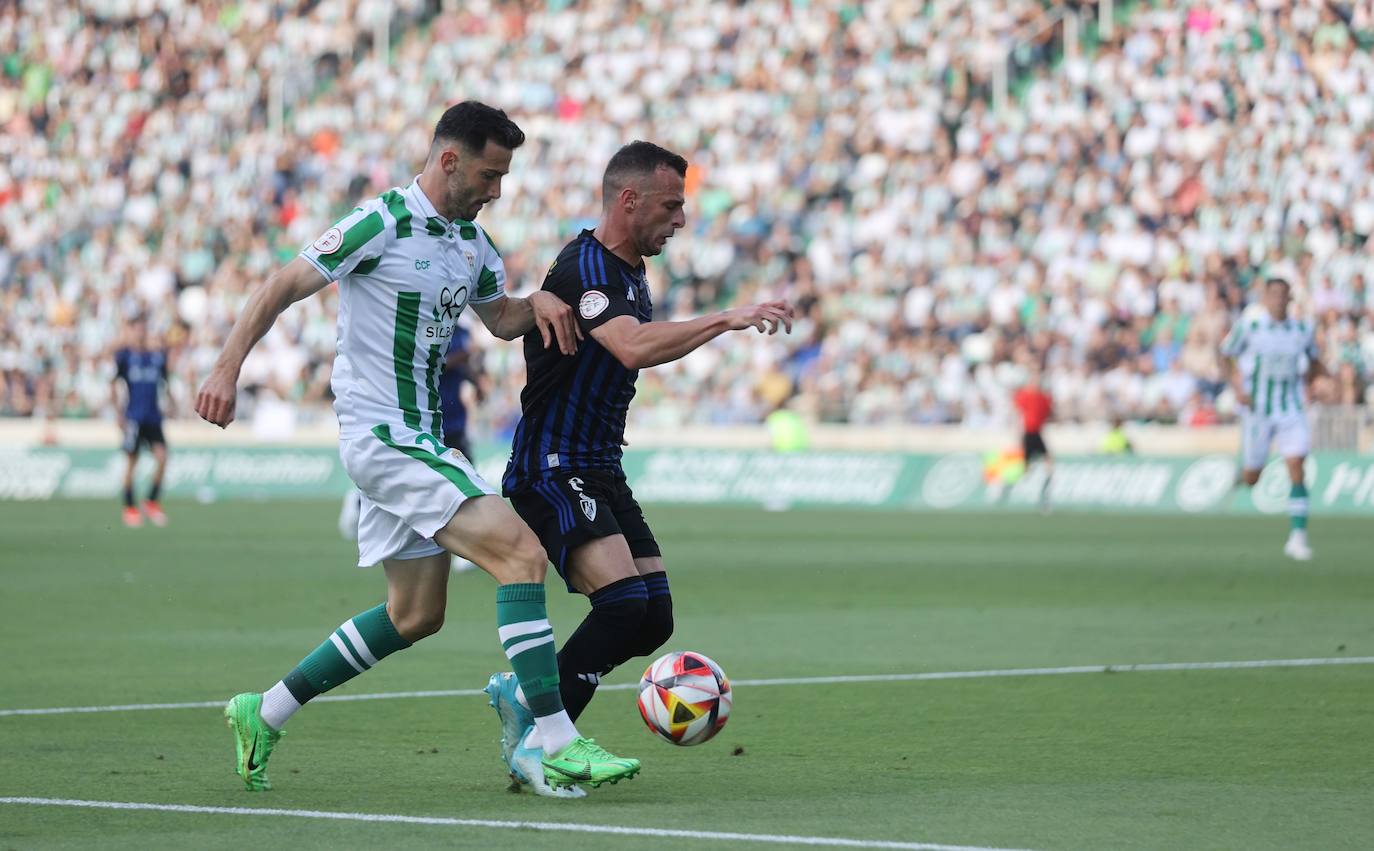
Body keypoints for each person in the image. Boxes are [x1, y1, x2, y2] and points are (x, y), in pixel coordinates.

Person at [194, 101, 640, 794]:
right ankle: (555, 739)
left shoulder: (472, 243)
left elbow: (499, 319)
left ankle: (265, 710)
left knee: (416, 615)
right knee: (520, 553)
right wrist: (226, 368)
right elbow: (284, 283)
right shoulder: (381, 222)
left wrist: (539, 304)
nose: (497, 191)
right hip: (382, 433)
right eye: (490, 175)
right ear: (449, 160)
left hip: (420, 437)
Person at [483, 141, 794, 795]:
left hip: (600, 465)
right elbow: (629, 347)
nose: (681, 219)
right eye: (671, 205)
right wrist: (726, 318)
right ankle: (543, 745)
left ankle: (527, 698)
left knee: (654, 618)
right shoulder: (586, 267)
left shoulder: (630, 271)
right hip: (553, 465)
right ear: (629, 200)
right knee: (622, 602)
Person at [1220, 278, 1325, 561]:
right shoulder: (1250, 327)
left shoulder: (1302, 330)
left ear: (1289, 298)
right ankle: (1242, 474)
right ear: (1265, 298)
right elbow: (1225, 354)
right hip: (1258, 410)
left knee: (1297, 465)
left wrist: (1318, 381)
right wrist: (1236, 388)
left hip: (1291, 408)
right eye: (1273, 294)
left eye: (1282, 294)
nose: (1278, 299)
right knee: (1253, 477)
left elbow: (1314, 361)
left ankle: (1298, 537)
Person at [112, 317, 171, 527]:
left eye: (142, 329)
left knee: (163, 458)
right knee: (132, 462)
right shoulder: (125, 357)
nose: (140, 333)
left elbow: (165, 382)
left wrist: (169, 403)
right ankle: (129, 507)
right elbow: (114, 384)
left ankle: (151, 501)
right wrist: (118, 413)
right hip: (134, 418)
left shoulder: (157, 357)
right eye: (136, 329)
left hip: (153, 417)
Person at [439, 325, 482, 572]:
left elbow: (462, 365)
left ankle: (467, 547)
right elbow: (434, 364)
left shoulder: (462, 331)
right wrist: (462, 356)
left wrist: (476, 382)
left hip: (455, 422)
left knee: (467, 485)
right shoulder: (430, 324)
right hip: (431, 421)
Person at [1011, 367, 1054, 511]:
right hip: (1028, 433)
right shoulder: (1024, 395)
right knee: (1026, 468)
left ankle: (1044, 497)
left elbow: (1047, 413)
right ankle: (1010, 488)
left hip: (1037, 434)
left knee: (1048, 465)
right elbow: (1017, 413)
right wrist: (1017, 433)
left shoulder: (1043, 397)